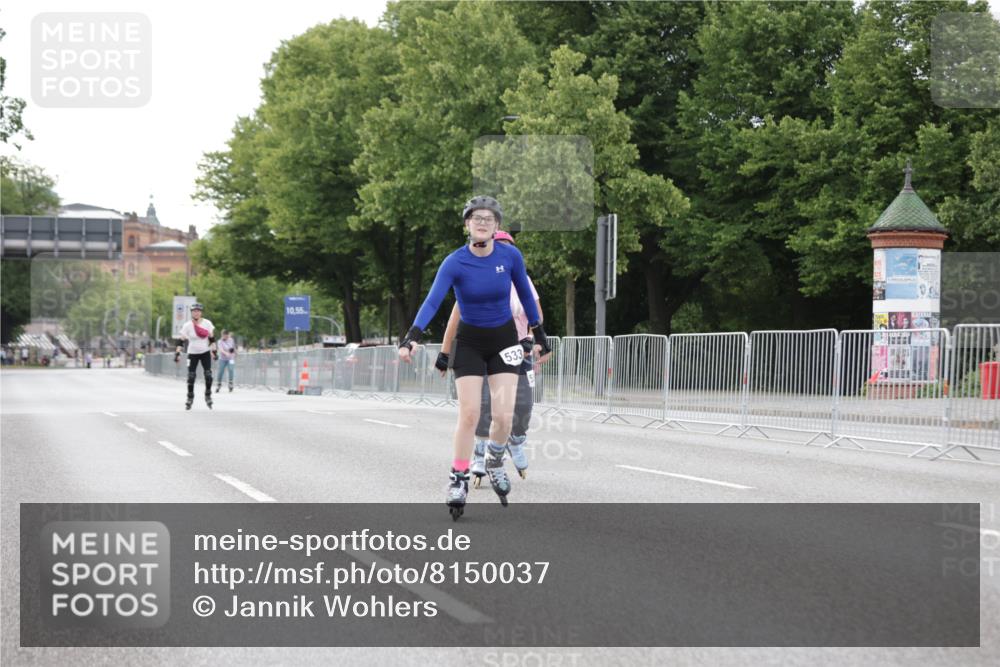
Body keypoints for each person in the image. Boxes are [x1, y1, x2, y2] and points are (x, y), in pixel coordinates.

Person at [398, 195, 550, 520]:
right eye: (476, 218)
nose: (482, 222)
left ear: (496, 226)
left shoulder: (510, 256)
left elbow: (524, 293)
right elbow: (433, 302)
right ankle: (458, 477)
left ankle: (495, 460)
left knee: (504, 418)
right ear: (467, 224)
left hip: (504, 341)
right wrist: (412, 337)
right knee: (469, 414)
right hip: (469, 342)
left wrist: (540, 337)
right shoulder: (454, 262)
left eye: (489, 218)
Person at [438, 229, 550, 486]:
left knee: (521, 406)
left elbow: (537, 316)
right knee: (483, 405)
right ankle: (479, 454)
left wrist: (535, 341)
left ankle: (516, 441)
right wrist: (445, 352)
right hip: (482, 347)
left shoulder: (523, 280)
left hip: (516, 349)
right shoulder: (473, 280)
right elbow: (454, 321)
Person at [175, 303, 217, 410]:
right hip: (192, 353)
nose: (196, 312)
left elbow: (212, 339)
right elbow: (181, 341)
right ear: (191, 313)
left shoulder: (207, 323)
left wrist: (214, 351)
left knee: (208, 375)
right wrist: (177, 353)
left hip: (205, 352)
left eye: (198, 311)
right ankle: (190, 397)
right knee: (191, 376)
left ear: (201, 312)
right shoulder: (187, 325)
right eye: (194, 311)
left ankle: (208, 394)